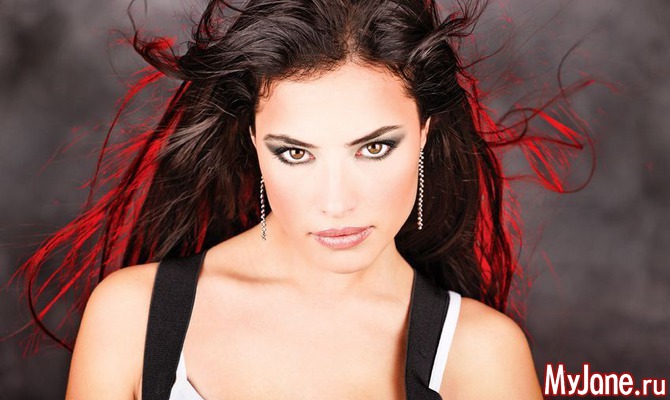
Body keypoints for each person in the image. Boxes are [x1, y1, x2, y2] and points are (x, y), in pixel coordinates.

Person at [15, 0, 578, 398]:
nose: (335, 202)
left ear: (425, 133)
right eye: (295, 152)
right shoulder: (133, 316)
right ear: (254, 143)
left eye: (374, 147)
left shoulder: (480, 356)